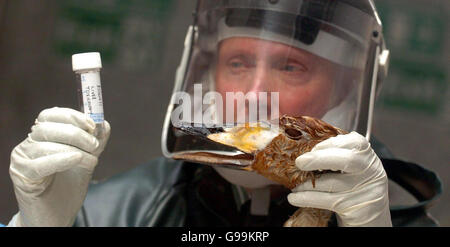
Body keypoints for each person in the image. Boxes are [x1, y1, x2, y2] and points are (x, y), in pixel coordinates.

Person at [4, 0, 441, 227]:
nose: (252, 96)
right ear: (206, 76)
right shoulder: (119, 212)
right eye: (238, 63)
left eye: (290, 67)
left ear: (347, 92)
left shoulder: (387, 218)